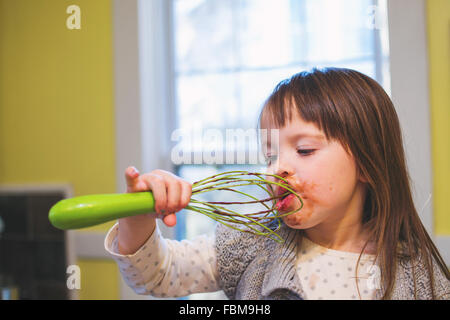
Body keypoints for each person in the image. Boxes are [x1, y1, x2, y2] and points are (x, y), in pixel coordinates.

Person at [104, 67, 450, 300]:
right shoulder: (250, 246)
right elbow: (158, 275)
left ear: (367, 163)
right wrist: (138, 218)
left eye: (304, 149)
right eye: (270, 155)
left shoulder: (419, 276)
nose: (276, 170)